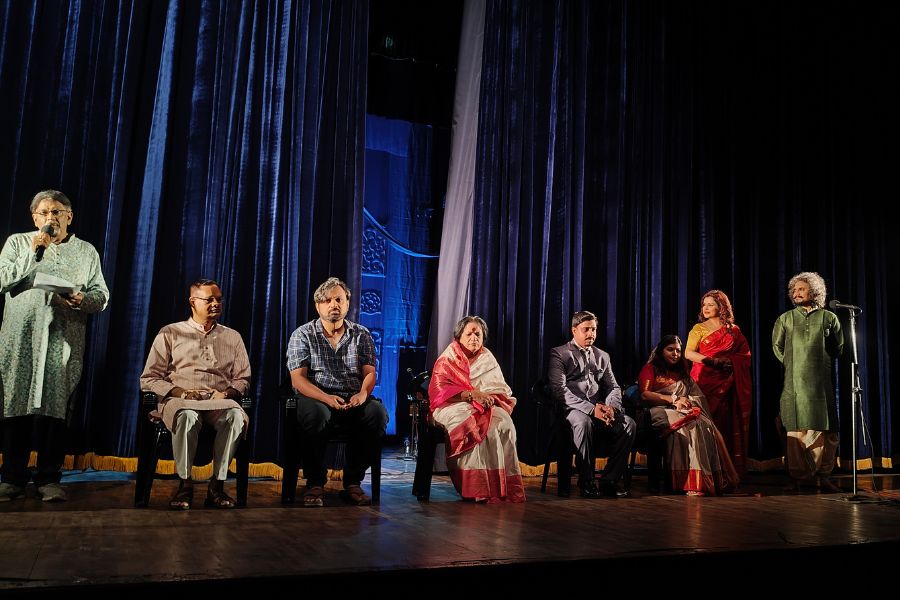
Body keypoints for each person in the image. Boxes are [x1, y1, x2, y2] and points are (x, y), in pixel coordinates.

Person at [0, 190, 109, 503]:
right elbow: (3, 280)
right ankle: (12, 479)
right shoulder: (18, 243)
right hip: (21, 341)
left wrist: (81, 299)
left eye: (57, 212)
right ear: (35, 218)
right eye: (44, 212)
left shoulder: (86, 251)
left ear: (69, 217)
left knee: (55, 412)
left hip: (62, 342)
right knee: (16, 408)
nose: (51, 218)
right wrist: (34, 251)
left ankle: (48, 479)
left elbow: (101, 297)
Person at [140, 278, 250, 509]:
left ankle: (217, 486)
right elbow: (149, 378)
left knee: (235, 417)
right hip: (181, 401)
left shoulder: (233, 336)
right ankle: (185, 485)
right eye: (209, 300)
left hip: (218, 402)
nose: (215, 304)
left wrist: (227, 393)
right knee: (187, 417)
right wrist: (180, 392)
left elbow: (243, 378)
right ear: (193, 302)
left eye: (218, 299)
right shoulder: (170, 332)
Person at [286, 277, 388, 507]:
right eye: (328, 300)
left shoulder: (361, 334)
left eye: (339, 300)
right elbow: (298, 379)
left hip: (352, 397)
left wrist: (362, 394)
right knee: (317, 415)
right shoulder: (303, 334)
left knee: (377, 414)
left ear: (348, 303)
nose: (334, 305)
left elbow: (370, 372)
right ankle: (315, 482)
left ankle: (353, 482)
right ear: (318, 306)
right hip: (316, 396)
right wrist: (325, 398)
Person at [427, 316, 525, 503]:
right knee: (472, 424)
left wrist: (486, 398)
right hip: (451, 404)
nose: (474, 338)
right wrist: (471, 395)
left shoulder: (487, 358)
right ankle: (476, 488)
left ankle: (501, 488)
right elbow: (439, 391)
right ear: (459, 336)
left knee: (504, 425)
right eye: (469, 334)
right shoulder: (448, 358)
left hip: (485, 404)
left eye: (478, 334)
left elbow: (499, 389)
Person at [639, 335, 740, 496]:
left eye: (678, 351)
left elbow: (696, 396)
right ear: (661, 351)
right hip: (658, 410)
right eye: (670, 349)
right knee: (689, 426)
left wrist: (688, 403)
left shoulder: (682, 373)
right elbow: (645, 395)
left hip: (682, 411)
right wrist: (674, 399)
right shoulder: (650, 368)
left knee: (705, 425)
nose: (675, 354)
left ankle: (704, 481)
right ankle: (686, 482)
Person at [548, 311, 635, 498]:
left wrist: (611, 408)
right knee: (583, 422)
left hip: (599, 408)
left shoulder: (602, 355)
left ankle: (609, 480)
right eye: (586, 329)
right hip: (572, 410)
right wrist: (591, 409)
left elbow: (613, 386)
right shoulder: (560, 353)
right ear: (574, 330)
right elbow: (559, 390)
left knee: (629, 424)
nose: (591, 334)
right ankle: (586, 481)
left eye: (593, 329)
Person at [772, 271, 843, 493]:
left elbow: (838, 348)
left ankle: (824, 476)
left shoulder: (829, 318)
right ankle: (797, 477)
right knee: (796, 430)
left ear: (814, 291)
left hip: (821, 384)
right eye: (794, 290)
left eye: (801, 289)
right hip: (794, 383)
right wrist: (795, 364)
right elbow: (777, 347)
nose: (796, 293)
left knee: (825, 430)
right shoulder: (785, 319)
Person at [684, 290, 752, 475]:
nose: (705, 308)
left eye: (710, 304)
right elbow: (688, 353)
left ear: (721, 307)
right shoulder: (699, 329)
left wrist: (731, 362)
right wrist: (712, 361)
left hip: (727, 384)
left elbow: (745, 355)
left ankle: (726, 470)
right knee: (705, 423)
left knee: (725, 424)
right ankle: (705, 470)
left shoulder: (733, 330)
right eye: (704, 305)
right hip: (703, 382)